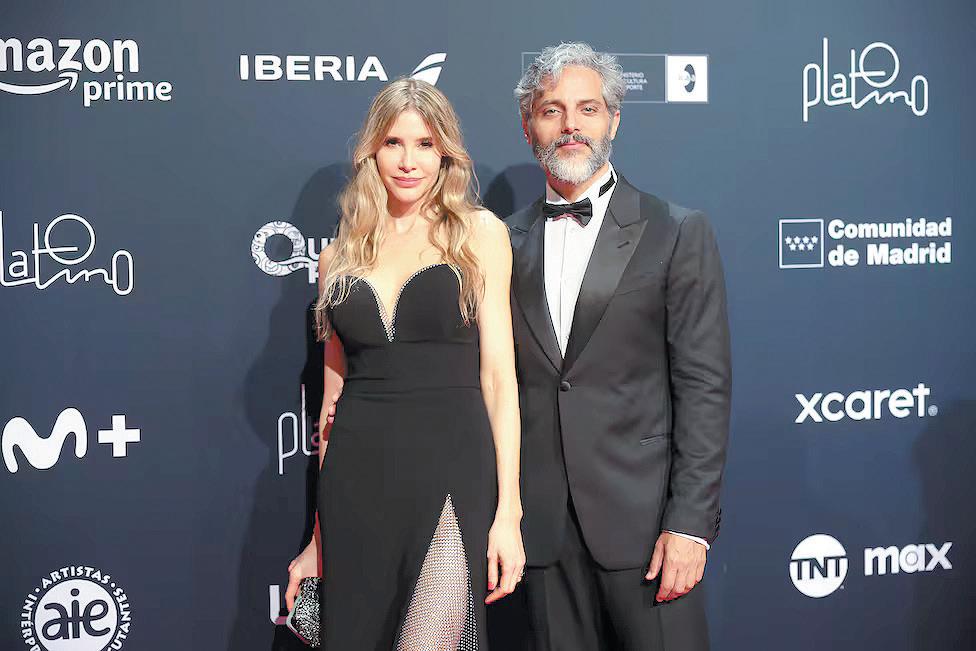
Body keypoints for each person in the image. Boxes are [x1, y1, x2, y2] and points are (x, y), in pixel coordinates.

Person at [503, 42, 731, 650]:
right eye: (551, 110)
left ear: (614, 120)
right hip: (540, 534)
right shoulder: (500, 241)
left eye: (588, 108)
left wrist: (690, 524)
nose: (570, 125)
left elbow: (704, 388)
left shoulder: (675, 231)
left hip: (648, 530)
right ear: (528, 126)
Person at [285, 77, 525, 650]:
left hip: (451, 471)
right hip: (356, 480)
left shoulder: (478, 234)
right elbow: (332, 400)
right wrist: (318, 537)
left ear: (445, 153)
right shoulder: (338, 256)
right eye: (393, 143)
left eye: (425, 144)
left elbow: (499, 380)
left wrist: (508, 514)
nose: (409, 161)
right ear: (372, 151)